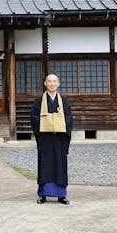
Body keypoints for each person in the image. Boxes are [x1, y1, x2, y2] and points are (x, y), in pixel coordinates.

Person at [30, 74, 73, 205]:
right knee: (45, 165)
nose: (52, 84)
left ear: (58, 84)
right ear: (45, 84)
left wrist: (59, 127)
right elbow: (34, 118)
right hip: (45, 138)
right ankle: (43, 194)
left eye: (55, 81)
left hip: (60, 138)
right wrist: (48, 126)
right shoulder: (38, 101)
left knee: (60, 165)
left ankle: (61, 195)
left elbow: (69, 118)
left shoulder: (64, 100)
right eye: (50, 81)